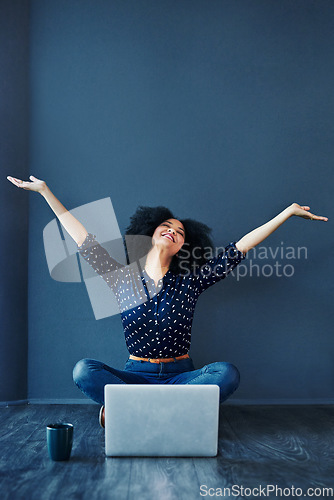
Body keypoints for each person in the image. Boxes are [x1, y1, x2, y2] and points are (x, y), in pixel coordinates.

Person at [7, 175, 329, 428]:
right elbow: (82, 240)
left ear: (183, 247)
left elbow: (238, 249)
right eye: (167, 226)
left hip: (181, 378)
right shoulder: (121, 278)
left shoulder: (190, 282)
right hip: (134, 376)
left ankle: (131, 413)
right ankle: (171, 414)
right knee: (83, 371)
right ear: (151, 232)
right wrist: (46, 191)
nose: (173, 231)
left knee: (226, 373)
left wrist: (286, 213)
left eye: (180, 232)